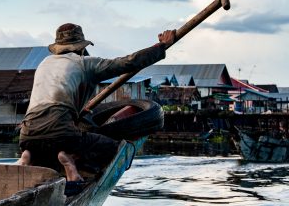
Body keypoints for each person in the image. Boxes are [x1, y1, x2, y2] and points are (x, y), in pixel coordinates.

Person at [18, 23, 176, 182]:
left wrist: (79, 113)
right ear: (81, 47)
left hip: (26, 134)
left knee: (49, 142)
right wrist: (161, 46)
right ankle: (71, 164)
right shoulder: (85, 63)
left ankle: (28, 156)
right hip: (60, 131)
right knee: (114, 149)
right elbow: (129, 62)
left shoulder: (45, 63)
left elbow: (52, 100)